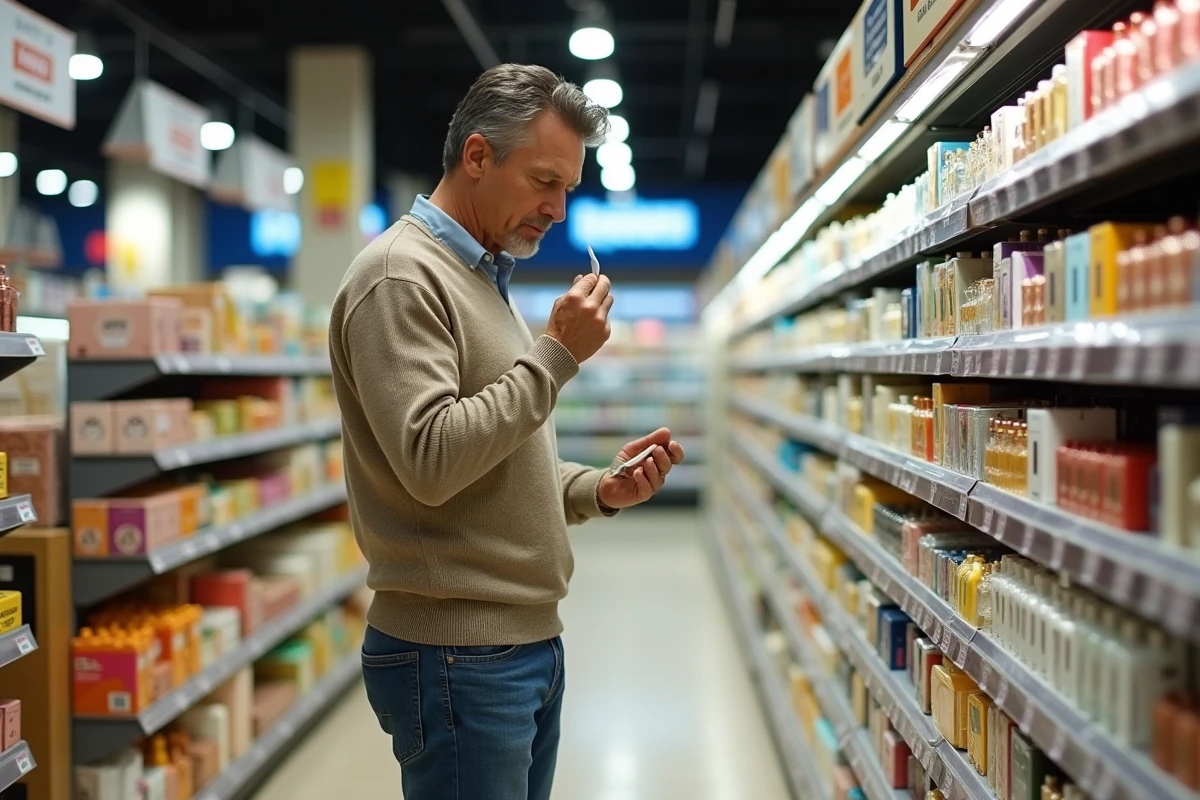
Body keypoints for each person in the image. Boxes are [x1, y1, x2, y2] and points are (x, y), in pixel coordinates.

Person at [328, 63, 687, 800]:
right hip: (457, 654)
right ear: (479, 155)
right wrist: (555, 355)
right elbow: (432, 459)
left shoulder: (482, 276)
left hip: (516, 645)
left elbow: (495, 459)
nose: (557, 209)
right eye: (544, 181)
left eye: (567, 190)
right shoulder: (401, 275)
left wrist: (599, 489)